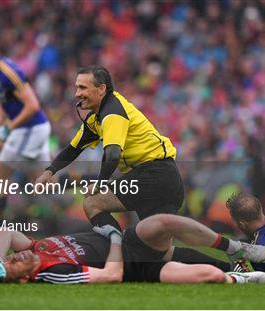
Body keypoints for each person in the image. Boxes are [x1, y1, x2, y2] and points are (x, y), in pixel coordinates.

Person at [35, 65, 223, 268]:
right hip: (164, 177)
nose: (77, 93)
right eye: (76, 87)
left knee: (93, 203)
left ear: (101, 89)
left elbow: (113, 154)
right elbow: (73, 148)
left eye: (82, 87)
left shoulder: (112, 113)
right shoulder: (97, 117)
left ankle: (119, 255)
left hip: (152, 174)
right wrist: (49, 171)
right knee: (160, 254)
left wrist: (100, 183)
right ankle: (233, 270)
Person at [0, 214, 265, 284]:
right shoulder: (54, 271)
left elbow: (5, 231)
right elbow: (112, 275)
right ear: (25, 278)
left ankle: (234, 248)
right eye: (12, 265)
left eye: (10, 257)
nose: (16, 256)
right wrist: (112, 239)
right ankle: (238, 278)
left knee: (164, 221)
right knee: (209, 275)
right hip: (137, 266)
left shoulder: (35, 247)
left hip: (132, 240)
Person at [0, 37, 51, 230]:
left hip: (30, 129)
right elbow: (4, 101)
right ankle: (95, 178)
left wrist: (8, 128)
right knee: (47, 182)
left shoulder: (8, 72)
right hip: (28, 130)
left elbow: (33, 105)